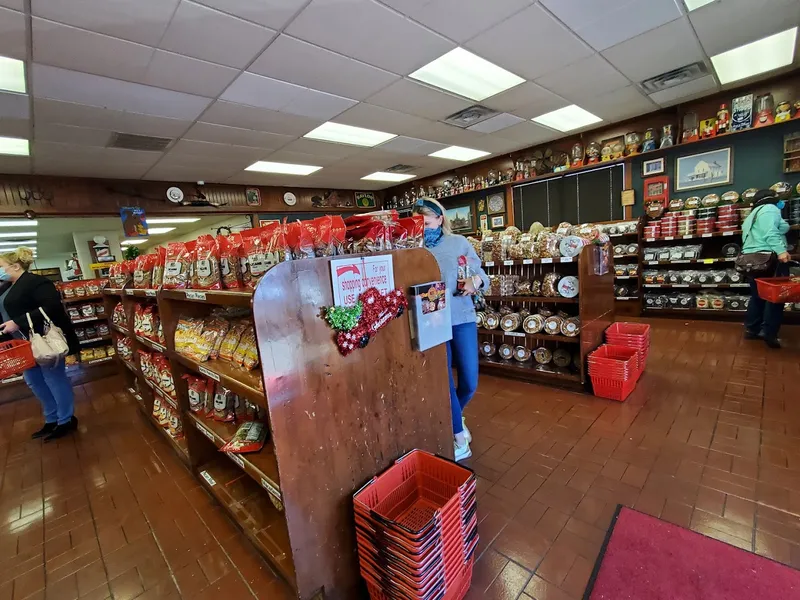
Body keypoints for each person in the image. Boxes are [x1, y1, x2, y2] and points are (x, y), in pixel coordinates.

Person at [414, 198, 489, 461]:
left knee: (469, 380)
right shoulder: (413, 250)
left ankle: (454, 413)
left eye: (425, 221)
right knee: (444, 380)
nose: (422, 227)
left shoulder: (459, 243)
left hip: (462, 316)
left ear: (440, 219)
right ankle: (457, 435)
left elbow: (483, 275)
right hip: (431, 322)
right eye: (417, 222)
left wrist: (475, 281)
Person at [0, 247, 80, 440]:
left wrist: (17, 321)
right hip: (21, 343)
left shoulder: (36, 282)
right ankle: (52, 418)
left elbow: (51, 307)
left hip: (42, 340)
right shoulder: (6, 286)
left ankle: (66, 420)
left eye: (1, 266)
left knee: (54, 378)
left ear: (15, 266)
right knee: (34, 381)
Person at [741, 190, 791, 349]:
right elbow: (771, 232)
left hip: (751, 259)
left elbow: (777, 228)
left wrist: (783, 225)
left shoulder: (751, 215)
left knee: (757, 296)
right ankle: (770, 334)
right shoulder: (770, 209)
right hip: (769, 258)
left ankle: (752, 329)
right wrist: (781, 251)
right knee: (775, 297)